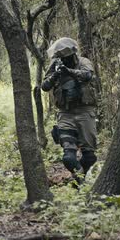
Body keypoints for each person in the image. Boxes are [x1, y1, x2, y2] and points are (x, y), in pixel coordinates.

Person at [41, 37, 98, 186]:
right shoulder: (55, 65)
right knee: (68, 158)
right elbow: (45, 86)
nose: (63, 60)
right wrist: (56, 75)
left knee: (90, 157)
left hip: (85, 111)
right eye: (61, 58)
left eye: (65, 58)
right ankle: (82, 184)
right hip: (65, 113)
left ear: (72, 54)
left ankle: (79, 180)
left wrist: (70, 72)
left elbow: (88, 76)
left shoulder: (83, 62)